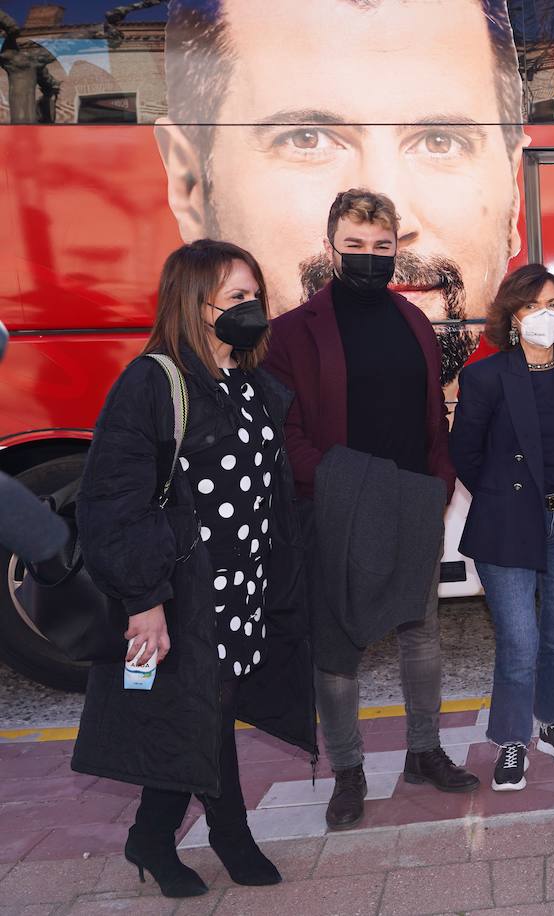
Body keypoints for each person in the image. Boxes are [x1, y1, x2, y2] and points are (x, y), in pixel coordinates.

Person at [71, 240, 315, 897]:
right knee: (200, 710)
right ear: (195, 304)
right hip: (184, 590)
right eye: (236, 297)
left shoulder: (248, 380)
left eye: (256, 294)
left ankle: (154, 836)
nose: (253, 308)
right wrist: (143, 598)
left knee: (206, 710)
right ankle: (222, 835)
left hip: (244, 587)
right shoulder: (153, 382)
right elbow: (111, 502)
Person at [158, 0, 529, 386]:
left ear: (514, 196)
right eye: (307, 139)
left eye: (440, 142)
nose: (391, 222)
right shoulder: (171, 391)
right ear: (190, 185)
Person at [264, 189, 475, 831]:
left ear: (395, 249)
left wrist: (438, 480)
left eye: (381, 248)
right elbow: (288, 437)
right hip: (339, 505)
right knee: (338, 647)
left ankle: (423, 752)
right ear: (331, 248)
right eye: (355, 246)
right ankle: (348, 772)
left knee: (422, 634)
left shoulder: (414, 321)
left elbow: (431, 415)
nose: (369, 259)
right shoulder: (291, 333)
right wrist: (341, 485)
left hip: (412, 498)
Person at [449, 264, 554, 791]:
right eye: (532, 305)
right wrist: (501, 499)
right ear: (512, 316)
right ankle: (512, 742)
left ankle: (553, 723)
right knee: (519, 641)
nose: (544, 315)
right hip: (509, 525)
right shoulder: (486, 376)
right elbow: (464, 452)